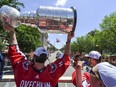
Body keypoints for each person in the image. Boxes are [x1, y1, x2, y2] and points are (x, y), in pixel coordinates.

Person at [4, 23, 74, 87]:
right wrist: (69, 39)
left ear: (34, 56)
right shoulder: (52, 72)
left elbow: (14, 50)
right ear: (46, 58)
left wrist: (12, 31)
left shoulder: (23, 69)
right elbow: (66, 57)